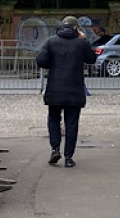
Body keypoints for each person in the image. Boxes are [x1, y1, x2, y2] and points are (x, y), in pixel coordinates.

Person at [35, 16, 97, 168]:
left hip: (55, 89)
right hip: (74, 90)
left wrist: (53, 63)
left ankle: (55, 149)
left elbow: (41, 61)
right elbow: (92, 59)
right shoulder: (80, 43)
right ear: (76, 28)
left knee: (54, 119)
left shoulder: (51, 41)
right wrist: (84, 40)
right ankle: (69, 157)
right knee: (72, 123)